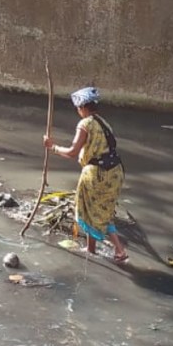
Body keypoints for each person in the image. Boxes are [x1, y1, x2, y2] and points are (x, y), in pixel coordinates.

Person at [43, 87, 129, 263]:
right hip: (115, 172)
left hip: (97, 173)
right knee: (102, 210)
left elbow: (73, 152)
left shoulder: (85, 124)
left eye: (78, 107)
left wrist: (52, 147)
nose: (77, 111)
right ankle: (100, 250)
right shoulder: (103, 122)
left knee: (89, 209)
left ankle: (114, 249)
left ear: (82, 106)